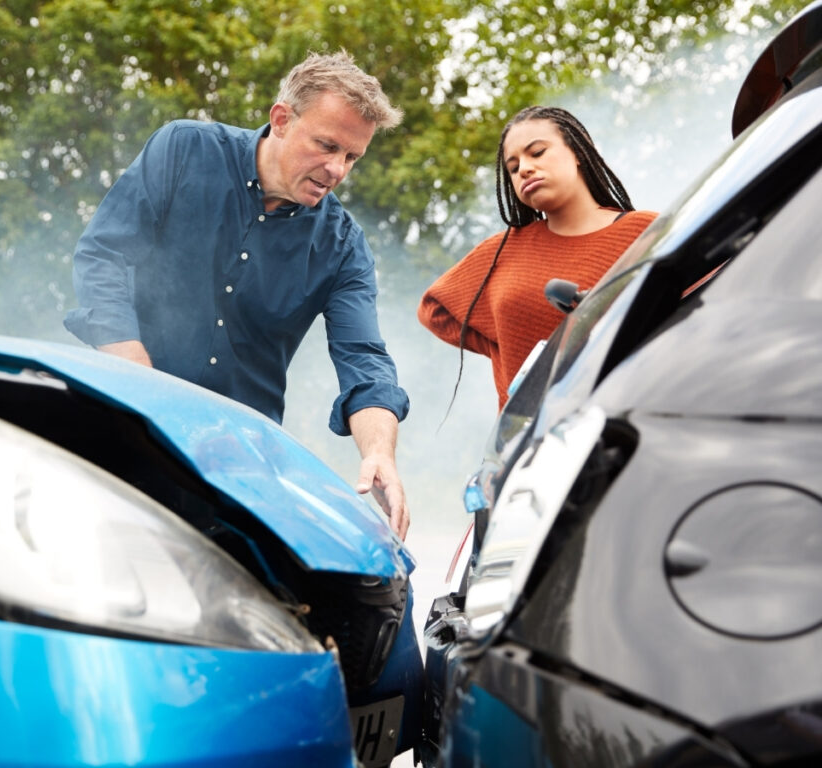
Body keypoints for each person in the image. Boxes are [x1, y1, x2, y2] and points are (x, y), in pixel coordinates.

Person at [64, 51, 411, 538]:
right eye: (327, 145)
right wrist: (143, 387)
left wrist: (378, 453)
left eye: (351, 157)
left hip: (233, 472)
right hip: (120, 428)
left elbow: (365, 361)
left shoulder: (343, 246)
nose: (337, 169)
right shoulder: (184, 149)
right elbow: (103, 255)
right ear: (282, 119)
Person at [417, 106, 657, 411]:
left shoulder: (645, 231)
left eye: (538, 152)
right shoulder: (503, 250)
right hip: (528, 444)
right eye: (514, 168)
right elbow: (434, 309)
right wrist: (507, 345)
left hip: (629, 422)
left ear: (579, 150)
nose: (525, 170)